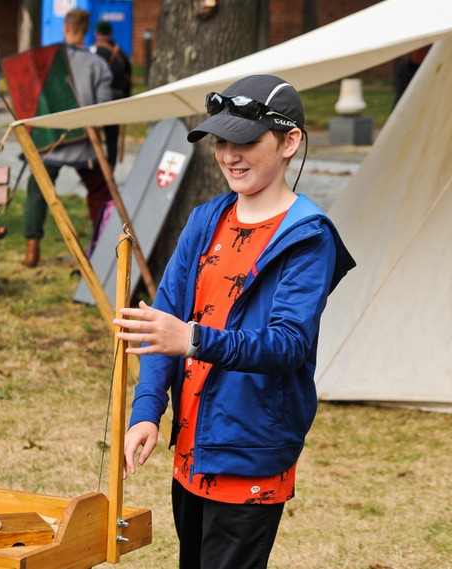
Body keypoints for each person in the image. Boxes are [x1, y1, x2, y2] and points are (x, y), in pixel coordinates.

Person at [116, 75, 356, 568]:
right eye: (221, 142)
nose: (229, 155)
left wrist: (193, 339)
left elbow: (287, 344)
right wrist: (146, 410)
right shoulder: (206, 220)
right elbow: (163, 323)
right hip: (192, 452)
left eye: (245, 141)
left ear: (290, 142)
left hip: (252, 453)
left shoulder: (308, 238)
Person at [22, 8, 113, 267]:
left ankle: (32, 251)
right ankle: (101, 245)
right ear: (85, 30)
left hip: (50, 141)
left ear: (65, 28)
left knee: (37, 191)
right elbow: (103, 108)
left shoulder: (47, 61)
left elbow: (31, 98)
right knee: (100, 193)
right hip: (84, 142)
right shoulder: (97, 64)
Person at [90, 20, 131, 170]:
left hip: (96, 100)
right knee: (112, 138)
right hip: (117, 100)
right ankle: (111, 167)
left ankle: (95, 169)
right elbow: (128, 80)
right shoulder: (121, 53)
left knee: (94, 137)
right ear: (111, 34)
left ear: (96, 33)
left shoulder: (92, 51)